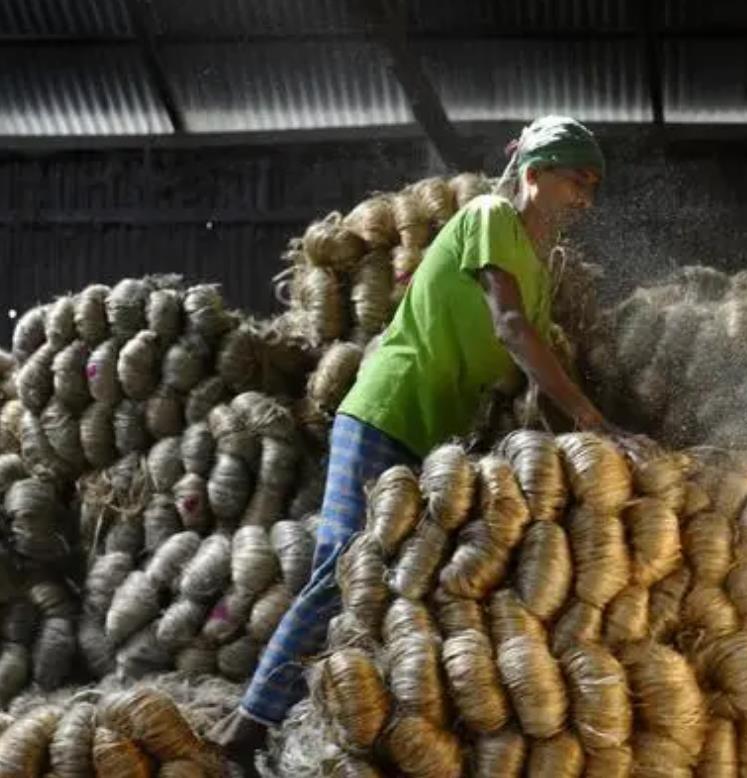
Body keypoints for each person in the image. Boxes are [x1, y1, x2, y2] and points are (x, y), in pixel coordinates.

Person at [211, 115, 620, 769]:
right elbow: (512, 329)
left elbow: (530, 376)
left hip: (433, 448)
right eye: (577, 180)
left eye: (593, 186)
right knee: (339, 572)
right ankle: (247, 726)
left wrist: (576, 453)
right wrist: (591, 418)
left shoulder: (540, 272)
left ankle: (331, 724)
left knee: (392, 592)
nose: (585, 199)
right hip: (386, 414)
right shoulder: (491, 214)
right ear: (534, 173)